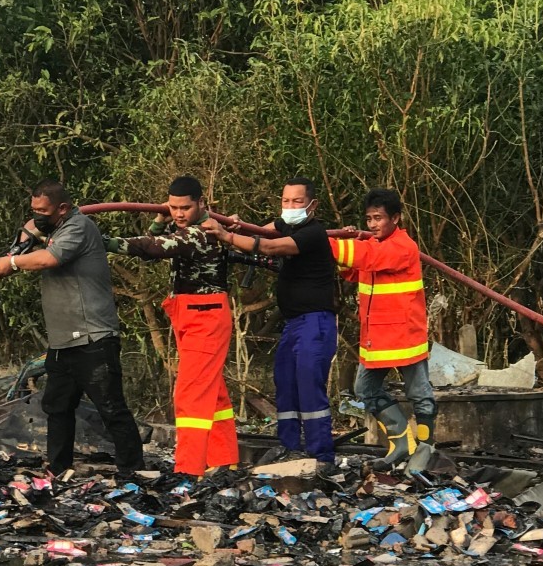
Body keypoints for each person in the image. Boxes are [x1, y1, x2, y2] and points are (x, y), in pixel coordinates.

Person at [0, 182, 145, 477]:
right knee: (57, 407)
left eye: (43, 211)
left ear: (62, 209)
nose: (38, 217)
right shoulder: (56, 228)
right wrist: (23, 239)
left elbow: (50, 259)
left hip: (92, 338)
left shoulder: (79, 226)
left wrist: (12, 261)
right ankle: (59, 469)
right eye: (34, 210)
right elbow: (29, 229)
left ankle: (134, 472)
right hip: (63, 342)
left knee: (111, 408)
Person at [103, 174, 238, 477]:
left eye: (185, 208)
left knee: (190, 395)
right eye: (173, 207)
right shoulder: (187, 228)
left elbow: (152, 248)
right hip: (190, 314)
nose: (179, 214)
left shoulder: (201, 234)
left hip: (205, 316)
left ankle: (188, 471)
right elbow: (156, 246)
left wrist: (100, 241)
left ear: (201, 204)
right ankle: (225, 459)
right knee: (212, 391)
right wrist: (159, 221)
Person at [201, 179, 338, 467]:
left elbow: (271, 247)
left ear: (312, 205)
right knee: (286, 383)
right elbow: (262, 232)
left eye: (296, 202)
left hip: (315, 322)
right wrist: (238, 225)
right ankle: (289, 448)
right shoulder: (287, 225)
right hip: (293, 323)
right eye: (285, 201)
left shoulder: (313, 233)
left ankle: (320, 456)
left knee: (309, 387)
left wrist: (226, 235)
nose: (289, 207)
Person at [328, 187, 435, 469]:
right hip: (376, 336)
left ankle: (425, 450)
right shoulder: (373, 246)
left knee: (419, 394)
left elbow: (367, 258)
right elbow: (353, 268)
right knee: (365, 390)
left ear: (395, 218)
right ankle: (401, 442)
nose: (373, 224)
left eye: (378, 218)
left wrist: (324, 242)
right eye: (369, 219)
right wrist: (344, 241)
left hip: (404, 336)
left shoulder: (403, 246)